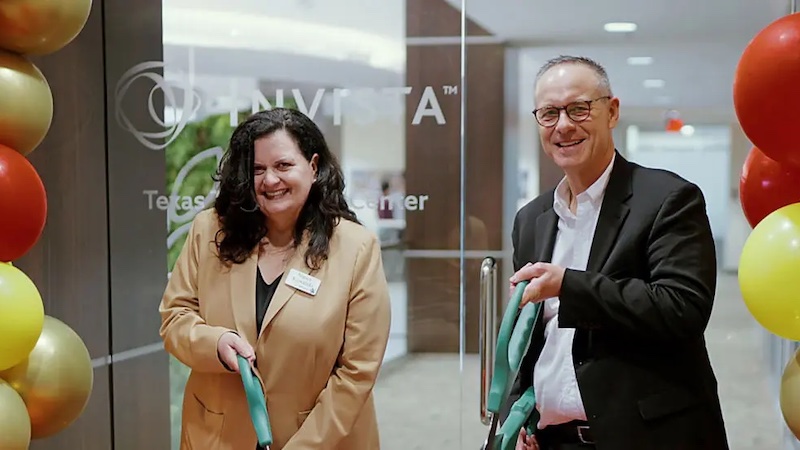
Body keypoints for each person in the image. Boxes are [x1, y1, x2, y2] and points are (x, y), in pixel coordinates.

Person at [507, 56, 729, 449]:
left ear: (611, 112)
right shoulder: (532, 219)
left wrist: (568, 286)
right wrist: (521, 412)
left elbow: (682, 309)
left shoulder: (668, 199)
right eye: (549, 113)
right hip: (554, 440)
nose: (563, 125)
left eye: (578, 109)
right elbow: (535, 339)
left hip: (647, 437)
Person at [159, 107, 392, 450]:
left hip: (320, 438)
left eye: (283, 165)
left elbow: (357, 372)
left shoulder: (357, 248)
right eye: (257, 169)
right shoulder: (210, 230)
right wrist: (217, 345)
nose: (270, 180)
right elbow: (175, 318)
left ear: (313, 167)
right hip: (219, 435)